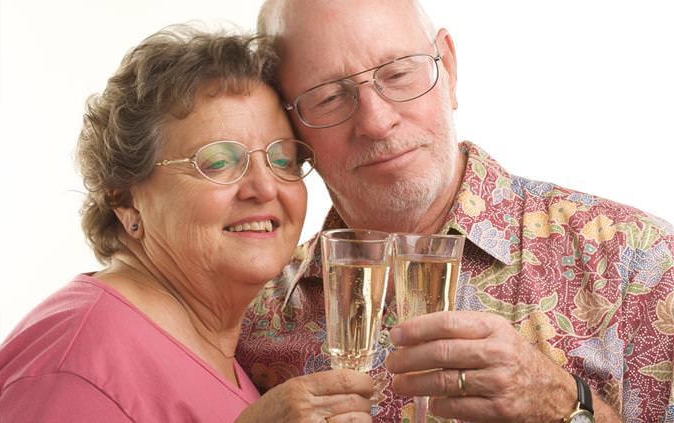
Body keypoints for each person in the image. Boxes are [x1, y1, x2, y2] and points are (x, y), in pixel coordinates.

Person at [235, 1, 674, 422]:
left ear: (448, 66)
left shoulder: (637, 261)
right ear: (291, 127)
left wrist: (565, 406)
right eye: (328, 97)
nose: (376, 121)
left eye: (399, 74)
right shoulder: (251, 315)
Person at [0, 25, 374, 422]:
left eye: (282, 160)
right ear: (125, 199)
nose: (264, 187)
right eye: (218, 162)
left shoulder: (218, 348)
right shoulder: (77, 367)